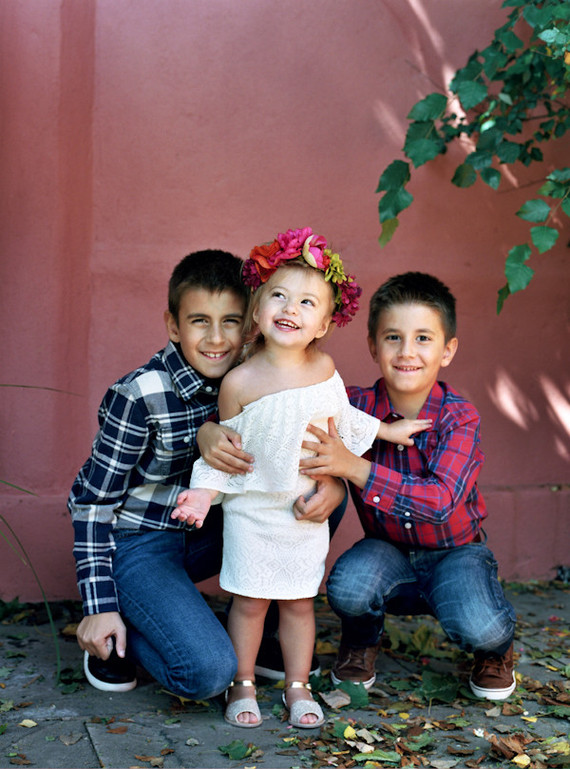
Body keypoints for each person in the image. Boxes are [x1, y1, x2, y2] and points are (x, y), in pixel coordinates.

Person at [172, 229, 431, 728]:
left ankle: (297, 685)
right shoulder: (239, 382)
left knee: (297, 605)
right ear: (258, 307)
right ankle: (241, 682)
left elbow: (345, 419)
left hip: (303, 512)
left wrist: (387, 429)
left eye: (307, 302)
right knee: (249, 603)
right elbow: (229, 449)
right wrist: (203, 495)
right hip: (254, 511)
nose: (290, 307)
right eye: (279, 296)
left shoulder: (324, 367)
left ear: (324, 324)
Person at [68, 248, 347, 697]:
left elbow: (307, 445)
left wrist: (333, 483)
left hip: (209, 530)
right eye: (200, 321)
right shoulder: (139, 395)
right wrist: (98, 605)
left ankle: (263, 629)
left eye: (231, 321)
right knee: (208, 674)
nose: (217, 338)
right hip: (143, 543)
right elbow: (90, 503)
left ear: (252, 320)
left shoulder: (258, 372)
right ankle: (121, 631)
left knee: (317, 499)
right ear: (174, 325)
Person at [298, 272, 518, 701]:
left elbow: (438, 502)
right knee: (347, 585)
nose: (406, 352)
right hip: (388, 548)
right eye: (393, 337)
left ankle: (496, 649)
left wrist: (354, 470)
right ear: (372, 345)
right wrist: (210, 433)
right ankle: (361, 639)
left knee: (481, 624)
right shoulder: (353, 406)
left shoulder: (459, 418)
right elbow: (290, 410)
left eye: (423, 338)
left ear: (447, 350)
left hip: (455, 552)